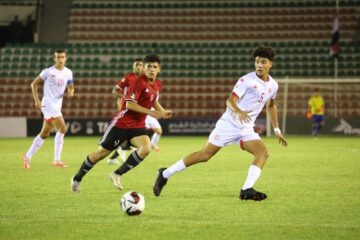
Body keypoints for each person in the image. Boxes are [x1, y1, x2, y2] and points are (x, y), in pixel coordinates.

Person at [153, 45, 288, 201]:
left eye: (263, 62)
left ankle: (246, 189)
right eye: (257, 61)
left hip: (246, 128)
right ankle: (164, 174)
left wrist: (276, 129)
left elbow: (271, 106)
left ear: (270, 64)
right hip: (228, 125)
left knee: (263, 153)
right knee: (204, 155)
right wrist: (239, 111)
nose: (259, 65)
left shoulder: (273, 85)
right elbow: (230, 101)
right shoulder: (246, 80)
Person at [71, 55, 173, 193]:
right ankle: (77, 179)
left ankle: (117, 174)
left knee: (146, 148)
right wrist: (151, 112)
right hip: (121, 124)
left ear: (159, 69)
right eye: (149, 66)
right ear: (144, 68)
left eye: (155, 67)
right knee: (101, 154)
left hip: (137, 126)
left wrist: (162, 111)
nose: (152, 69)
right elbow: (129, 104)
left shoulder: (156, 84)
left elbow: (153, 99)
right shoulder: (138, 82)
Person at [22, 49, 75, 169]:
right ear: (54, 58)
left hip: (57, 105)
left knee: (44, 134)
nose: (60, 59)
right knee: (62, 128)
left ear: (65, 58)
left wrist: (71, 91)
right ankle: (56, 159)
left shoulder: (68, 72)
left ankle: (27, 156)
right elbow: (33, 84)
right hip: (48, 104)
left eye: (62, 57)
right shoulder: (48, 71)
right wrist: (36, 100)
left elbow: (71, 86)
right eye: (58, 57)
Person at [107, 58, 163, 165]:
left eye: (140, 65)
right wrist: (125, 97)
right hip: (131, 109)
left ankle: (122, 152)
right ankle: (121, 152)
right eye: (137, 64)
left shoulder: (148, 81)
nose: (138, 67)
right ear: (133, 66)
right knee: (134, 134)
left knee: (149, 133)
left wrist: (161, 110)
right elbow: (115, 91)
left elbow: (153, 98)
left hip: (144, 110)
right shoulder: (128, 78)